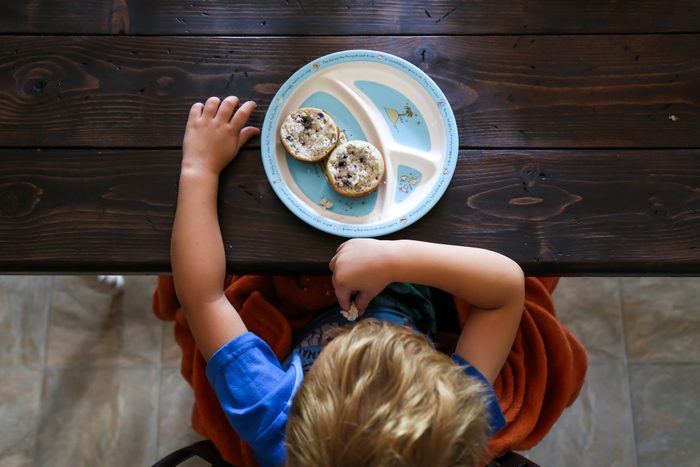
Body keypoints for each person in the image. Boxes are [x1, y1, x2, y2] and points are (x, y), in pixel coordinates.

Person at [171, 96, 525, 467]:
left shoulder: (278, 426)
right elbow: (505, 291)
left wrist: (199, 169)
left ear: (299, 410)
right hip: (409, 295)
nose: (353, 330)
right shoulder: (452, 422)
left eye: (336, 349)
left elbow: (203, 299)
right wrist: (394, 259)